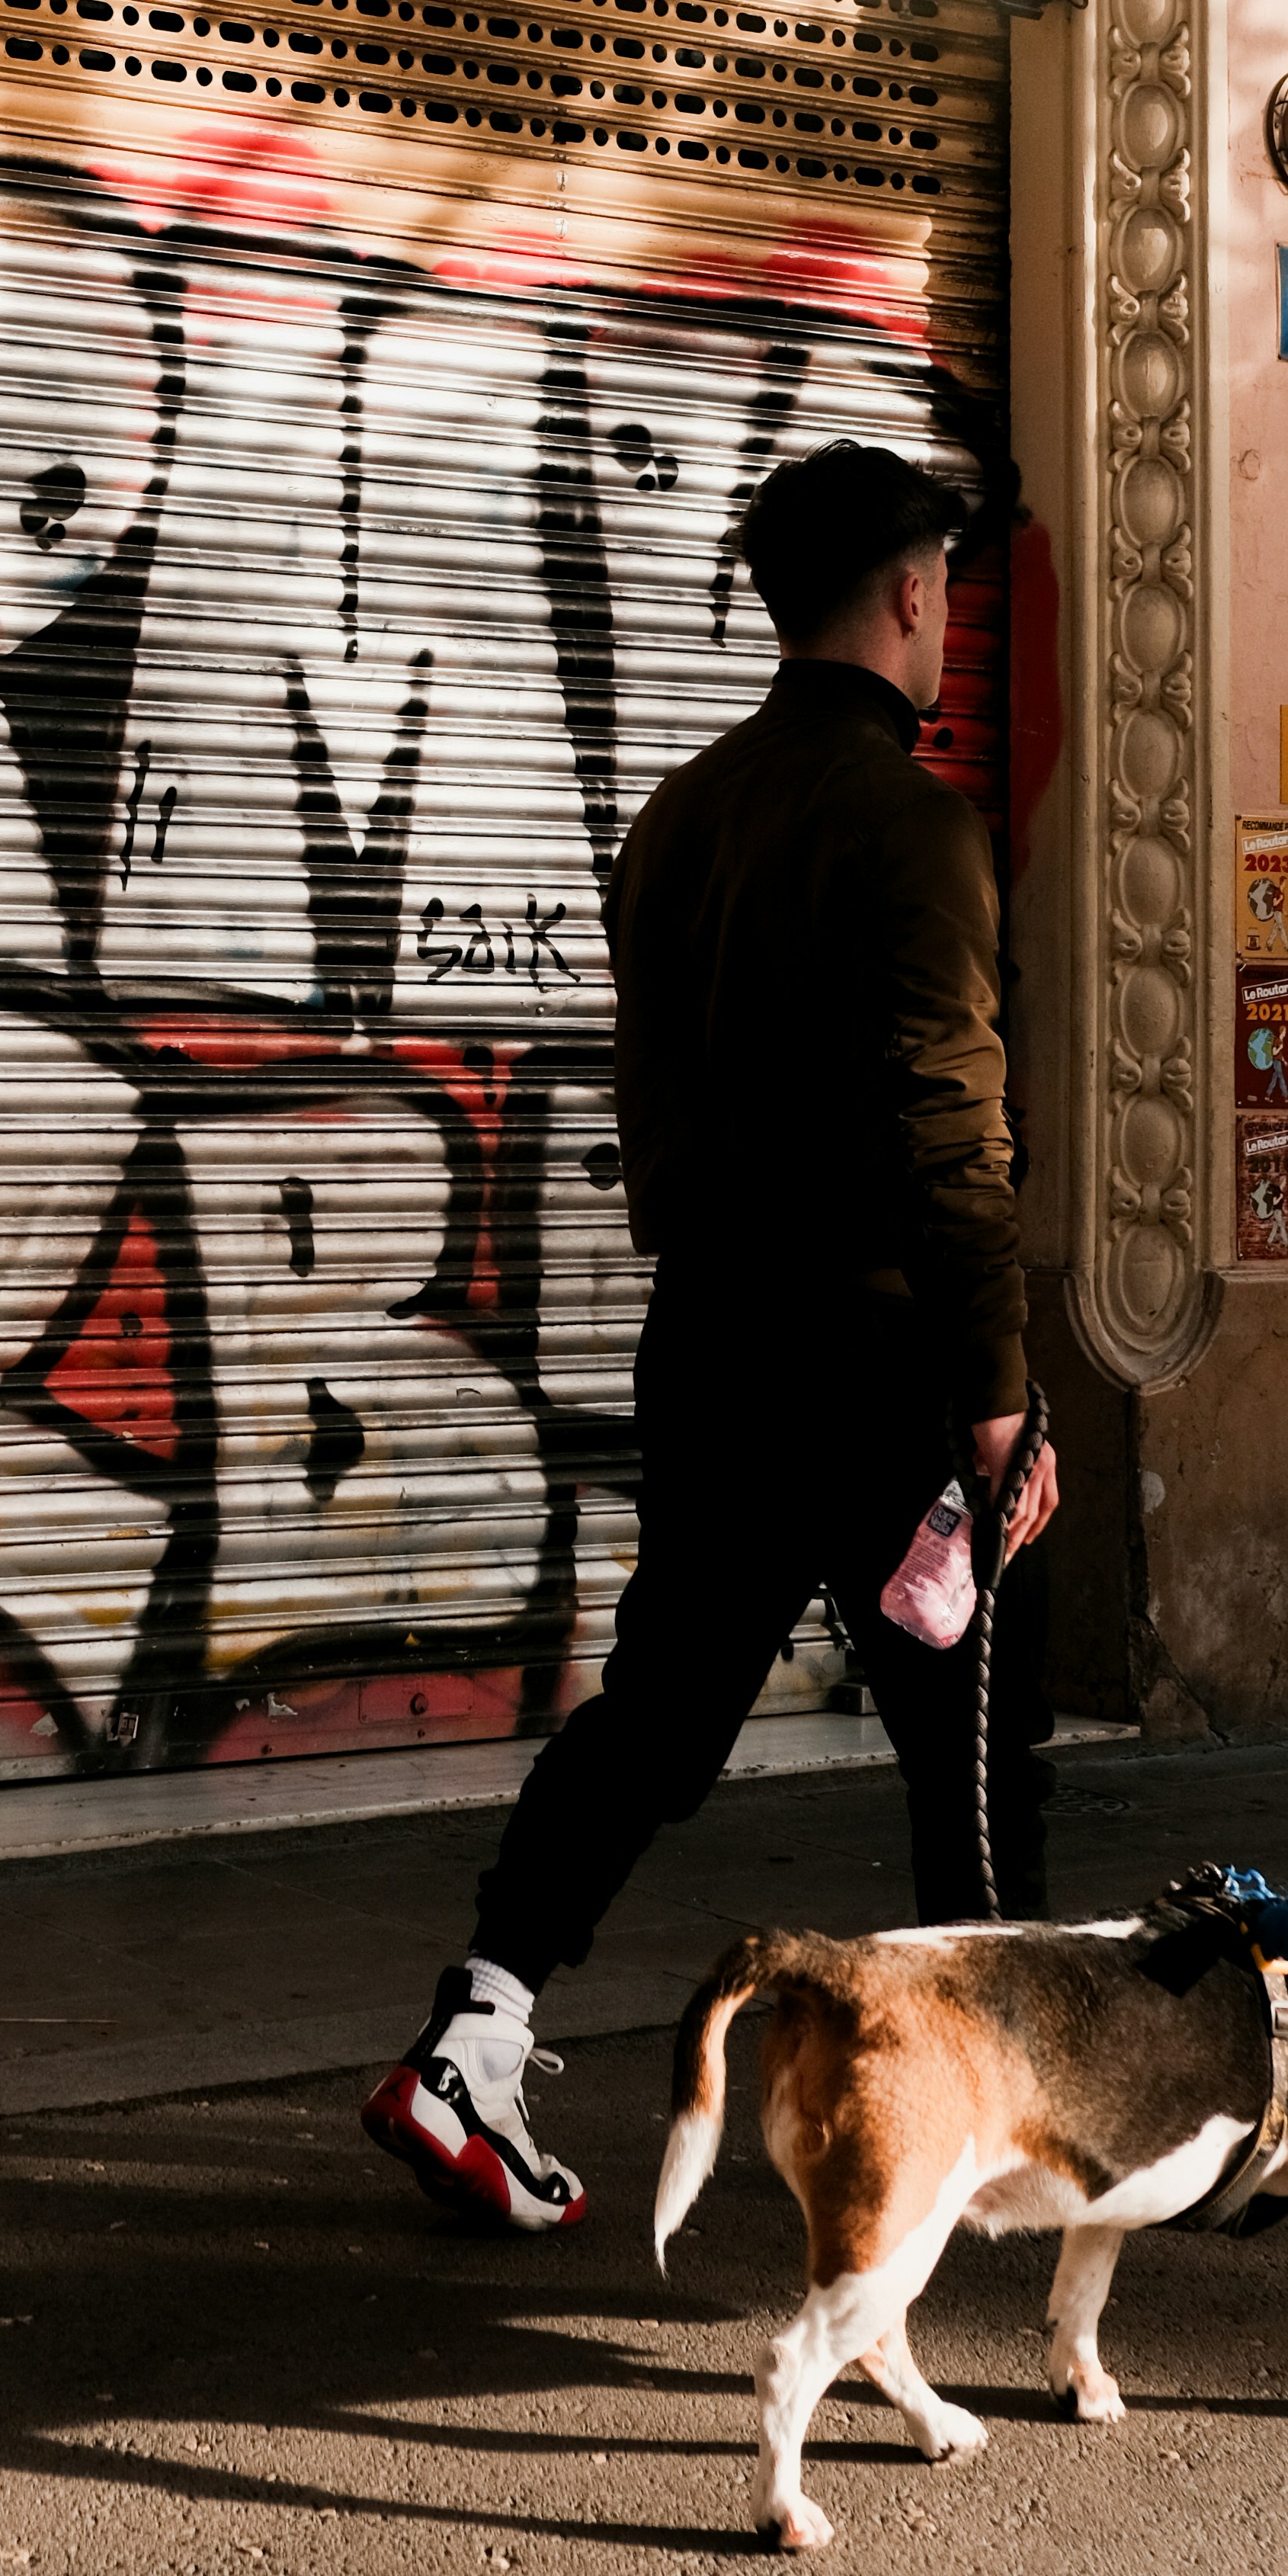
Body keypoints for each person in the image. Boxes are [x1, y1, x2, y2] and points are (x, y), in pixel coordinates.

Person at [360, 439, 1059, 2232]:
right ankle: (986, 2117)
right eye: (944, 590)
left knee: (661, 1715)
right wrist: (993, 1397)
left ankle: (475, 2035)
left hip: (714, 1341)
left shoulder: (678, 815)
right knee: (972, 1738)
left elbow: (656, 1113)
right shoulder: (912, 823)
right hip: (878, 1365)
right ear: (908, 593)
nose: (947, 616)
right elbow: (951, 1132)